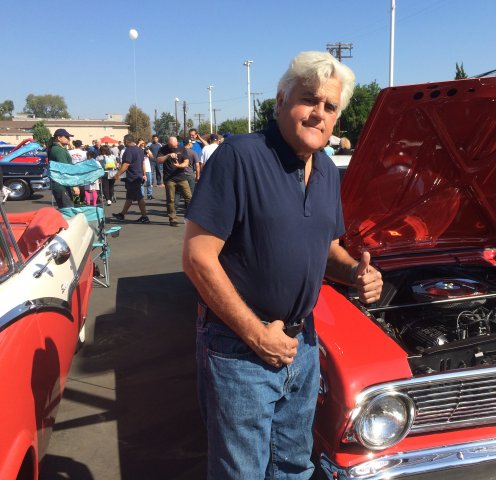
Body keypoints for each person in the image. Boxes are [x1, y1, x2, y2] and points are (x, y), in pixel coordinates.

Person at [182, 51, 383, 479]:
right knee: (242, 472)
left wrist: (356, 273)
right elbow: (197, 259)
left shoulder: (327, 170)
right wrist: (257, 335)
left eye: (330, 107)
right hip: (239, 347)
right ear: (279, 100)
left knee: (293, 466)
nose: (319, 113)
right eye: (310, 99)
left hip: (303, 344)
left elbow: (326, 245)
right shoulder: (239, 157)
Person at [112, 134, 150, 223]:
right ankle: (122, 214)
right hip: (138, 175)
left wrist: (118, 174)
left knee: (139, 197)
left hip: (133, 177)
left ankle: (144, 216)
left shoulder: (128, 151)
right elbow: (142, 163)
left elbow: (126, 164)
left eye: (124, 140)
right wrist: (143, 174)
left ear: (126, 141)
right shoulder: (140, 150)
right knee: (130, 197)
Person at [157, 136, 192, 226]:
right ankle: (173, 219)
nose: (172, 148)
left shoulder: (182, 148)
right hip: (169, 178)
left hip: (181, 177)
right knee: (171, 199)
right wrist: (168, 155)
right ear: (168, 143)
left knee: (189, 198)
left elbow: (186, 162)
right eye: (170, 146)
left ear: (177, 143)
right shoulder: (163, 149)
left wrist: (179, 166)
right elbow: (158, 160)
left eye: (174, 146)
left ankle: (190, 218)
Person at [48, 128, 79, 208]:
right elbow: (65, 169)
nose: (69, 139)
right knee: (68, 211)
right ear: (59, 138)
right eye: (66, 137)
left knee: (67, 209)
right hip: (62, 185)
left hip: (62, 184)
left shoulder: (59, 149)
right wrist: (74, 185)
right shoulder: (58, 150)